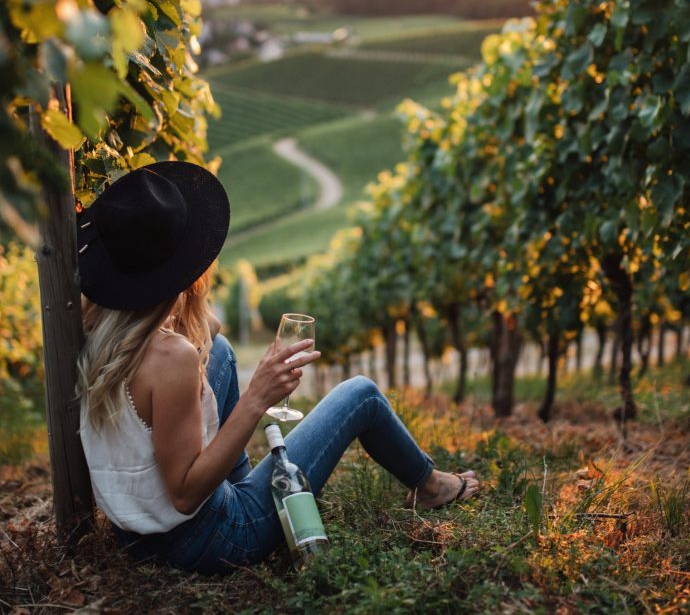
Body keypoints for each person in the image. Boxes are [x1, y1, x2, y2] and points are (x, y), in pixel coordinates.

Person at [76, 162, 480, 574]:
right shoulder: (171, 358)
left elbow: (205, 335)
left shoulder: (100, 330)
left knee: (220, 348)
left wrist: (189, 307)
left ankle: (243, 483)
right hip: (209, 539)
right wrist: (257, 398)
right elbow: (183, 495)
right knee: (361, 394)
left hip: (136, 535)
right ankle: (430, 486)